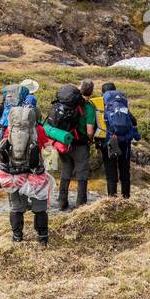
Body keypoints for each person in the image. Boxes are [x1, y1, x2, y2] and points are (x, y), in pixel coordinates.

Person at [0, 102, 50, 246]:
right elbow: (48, 149)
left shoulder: (10, 129)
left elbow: (4, 148)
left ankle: (17, 237)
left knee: (16, 207)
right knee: (40, 208)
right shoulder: (39, 129)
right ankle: (43, 237)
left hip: (14, 172)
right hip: (36, 173)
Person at [57, 80, 97, 210]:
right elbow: (90, 131)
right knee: (82, 173)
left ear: (79, 89)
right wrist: (90, 139)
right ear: (91, 92)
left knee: (66, 170)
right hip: (80, 144)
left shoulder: (68, 103)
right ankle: (81, 204)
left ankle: (62, 202)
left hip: (64, 142)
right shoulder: (89, 107)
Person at [97, 81, 140, 199]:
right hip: (125, 142)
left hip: (109, 141)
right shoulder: (122, 104)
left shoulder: (103, 105)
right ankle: (126, 198)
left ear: (103, 93)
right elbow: (133, 121)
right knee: (125, 171)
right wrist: (136, 136)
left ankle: (112, 198)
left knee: (111, 172)